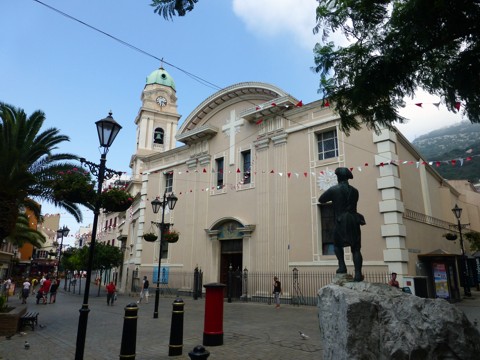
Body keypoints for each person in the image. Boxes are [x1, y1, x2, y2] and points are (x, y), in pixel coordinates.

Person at [319, 167, 365, 282]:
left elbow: (321, 199)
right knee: (356, 248)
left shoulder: (334, 190)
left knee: (337, 245)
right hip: (354, 220)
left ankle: (342, 266)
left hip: (341, 220)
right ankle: (358, 274)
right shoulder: (355, 191)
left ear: (338, 177)